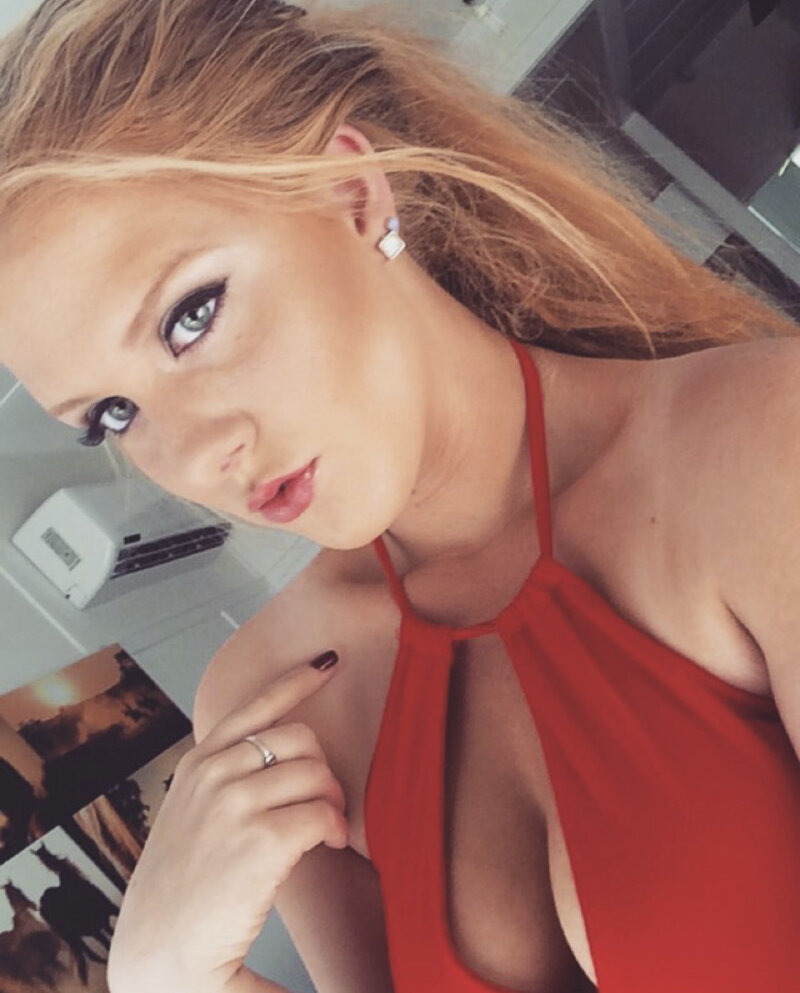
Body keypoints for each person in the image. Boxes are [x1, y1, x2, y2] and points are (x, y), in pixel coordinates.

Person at [0, 1, 799, 992]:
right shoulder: (272, 697)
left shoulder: (758, 442)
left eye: (191, 316)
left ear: (351, 191)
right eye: (113, 414)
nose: (201, 451)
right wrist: (164, 977)